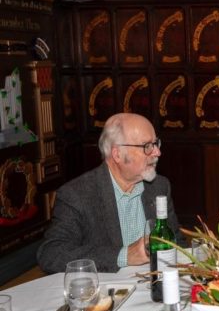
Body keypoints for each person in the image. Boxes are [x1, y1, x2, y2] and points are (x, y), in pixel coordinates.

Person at [37, 113, 183, 273]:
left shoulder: (159, 186)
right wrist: (124, 255)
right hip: (106, 286)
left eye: (156, 143)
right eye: (147, 146)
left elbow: (177, 242)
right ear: (117, 154)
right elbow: (51, 254)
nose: (157, 152)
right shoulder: (77, 194)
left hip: (156, 281)